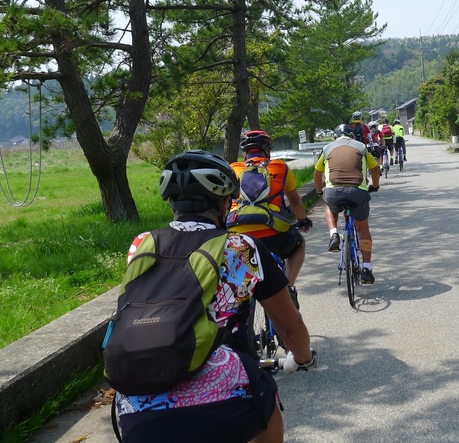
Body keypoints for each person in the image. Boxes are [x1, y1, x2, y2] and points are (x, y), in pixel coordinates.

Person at [114, 149, 314, 443]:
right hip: (224, 407)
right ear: (224, 203)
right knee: (267, 402)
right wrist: (304, 358)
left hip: (136, 408)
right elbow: (288, 326)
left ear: (172, 204)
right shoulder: (240, 247)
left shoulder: (142, 244)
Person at [228, 130, 312, 309]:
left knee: (236, 263)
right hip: (272, 231)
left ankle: (239, 301)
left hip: (238, 234)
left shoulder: (232, 168)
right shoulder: (280, 167)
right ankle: (288, 287)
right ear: (267, 151)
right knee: (299, 245)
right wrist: (303, 220)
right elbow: (295, 201)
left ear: (245, 153)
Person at [313, 124, 380, 284]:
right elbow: (375, 168)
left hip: (333, 192)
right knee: (363, 229)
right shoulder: (361, 147)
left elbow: (317, 173)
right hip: (358, 192)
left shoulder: (328, 148)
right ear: (352, 136)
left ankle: (334, 233)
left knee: (329, 203)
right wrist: (375, 186)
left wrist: (320, 191)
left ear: (335, 137)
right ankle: (367, 268)